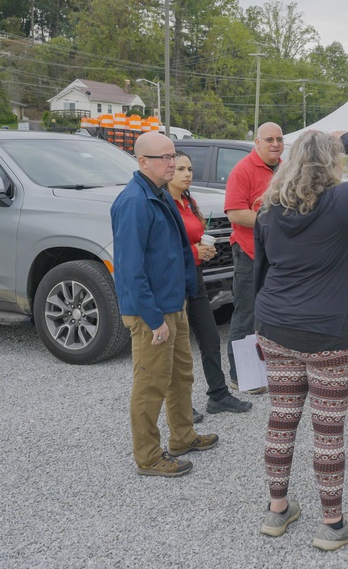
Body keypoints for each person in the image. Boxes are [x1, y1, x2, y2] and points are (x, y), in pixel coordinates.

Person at [253, 130, 348, 551]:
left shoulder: (268, 209)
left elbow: (259, 273)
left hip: (277, 325)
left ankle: (277, 510)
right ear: (330, 163)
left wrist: (259, 324)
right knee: (328, 429)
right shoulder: (340, 202)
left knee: (281, 417)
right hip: (330, 333)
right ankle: (332, 525)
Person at [111, 132, 219, 478]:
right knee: (151, 383)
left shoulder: (162, 195)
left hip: (174, 304)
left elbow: (173, 253)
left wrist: (185, 296)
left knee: (180, 375)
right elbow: (130, 268)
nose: (172, 163)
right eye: (164, 158)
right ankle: (148, 456)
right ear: (142, 162)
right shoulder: (135, 202)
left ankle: (183, 436)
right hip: (152, 312)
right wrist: (154, 318)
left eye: (172, 156)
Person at [167, 152, 252, 416]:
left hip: (195, 280)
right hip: (172, 283)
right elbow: (164, 248)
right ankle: (181, 407)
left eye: (190, 168)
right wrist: (195, 252)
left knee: (210, 338)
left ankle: (218, 395)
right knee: (176, 349)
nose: (187, 173)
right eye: (181, 168)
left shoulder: (188, 201)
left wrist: (205, 251)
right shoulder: (164, 204)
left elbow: (193, 238)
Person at [224, 122, 284, 394]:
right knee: (246, 314)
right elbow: (236, 213)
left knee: (275, 314)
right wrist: (271, 222)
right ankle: (241, 376)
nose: (275, 144)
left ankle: (273, 369)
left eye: (279, 139)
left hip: (278, 256)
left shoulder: (284, 169)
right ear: (257, 143)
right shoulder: (243, 170)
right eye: (269, 139)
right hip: (250, 254)